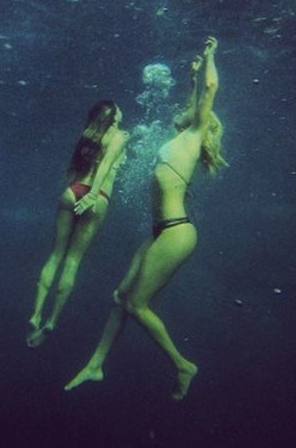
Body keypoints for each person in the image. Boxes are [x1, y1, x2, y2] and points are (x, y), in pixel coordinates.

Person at [65, 37, 227, 400]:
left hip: (176, 233)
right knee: (120, 296)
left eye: (196, 110)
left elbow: (210, 91)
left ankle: (183, 364)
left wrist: (211, 58)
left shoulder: (194, 135)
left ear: (203, 121)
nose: (186, 112)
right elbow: (193, 102)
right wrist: (192, 79)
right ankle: (95, 365)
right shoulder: (182, 134)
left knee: (137, 303)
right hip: (160, 232)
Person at [27, 101, 129, 348]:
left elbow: (75, 169)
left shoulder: (89, 133)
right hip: (97, 196)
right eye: (118, 107)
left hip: (72, 191)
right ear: (114, 115)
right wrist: (93, 195)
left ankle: (35, 313)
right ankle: (51, 321)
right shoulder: (121, 135)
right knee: (72, 262)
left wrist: (80, 189)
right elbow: (105, 166)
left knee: (55, 256)